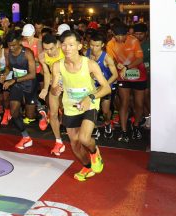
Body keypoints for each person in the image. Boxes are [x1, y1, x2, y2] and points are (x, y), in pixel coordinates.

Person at [51, 30, 111, 182]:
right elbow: (53, 88)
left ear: (79, 46)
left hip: (89, 104)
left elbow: (106, 88)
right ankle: (87, 166)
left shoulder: (90, 64)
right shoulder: (57, 66)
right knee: (75, 144)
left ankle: (94, 152)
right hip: (70, 107)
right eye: (64, 45)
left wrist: (90, 97)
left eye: (71, 45)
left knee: (84, 138)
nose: (67, 48)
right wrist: (55, 90)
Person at [106, 24, 147, 142]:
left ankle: (136, 126)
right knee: (124, 102)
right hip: (123, 77)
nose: (120, 38)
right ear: (113, 35)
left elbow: (140, 58)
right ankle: (124, 131)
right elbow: (110, 59)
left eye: (123, 35)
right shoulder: (110, 44)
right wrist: (116, 63)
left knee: (139, 103)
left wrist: (126, 67)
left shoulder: (133, 40)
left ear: (127, 34)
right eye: (117, 36)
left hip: (139, 75)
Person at [2, 31, 37, 150]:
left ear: (20, 42)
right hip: (17, 85)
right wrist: (4, 74)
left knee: (30, 115)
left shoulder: (27, 53)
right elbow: (8, 67)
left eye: (14, 45)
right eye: (9, 45)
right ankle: (26, 137)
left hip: (29, 84)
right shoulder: (7, 52)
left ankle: (40, 107)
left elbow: (32, 74)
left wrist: (14, 80)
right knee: (14, 112)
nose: (11, 48)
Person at [38, 33, 66, 156]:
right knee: (53, 113)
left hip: (69, 84)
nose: (49, 52)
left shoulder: (65, 52)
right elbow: (46, 73)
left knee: (68, 112)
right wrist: (45, 89)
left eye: (51, 48)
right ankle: (58, 142)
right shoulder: (42, 56)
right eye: (46, 49)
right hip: (54, 85)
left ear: (57, 45)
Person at [86, 32, 118, 138]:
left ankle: (108, 123)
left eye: (97, 46)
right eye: (92, 45)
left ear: (102, 45)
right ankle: (94, 128)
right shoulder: (86, 53)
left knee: (105, 111)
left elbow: (115, 75)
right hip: (92, 87)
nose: (94, 48)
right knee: (91, 110)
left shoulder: (107, 58)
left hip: (105, 87)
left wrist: (104, 85)